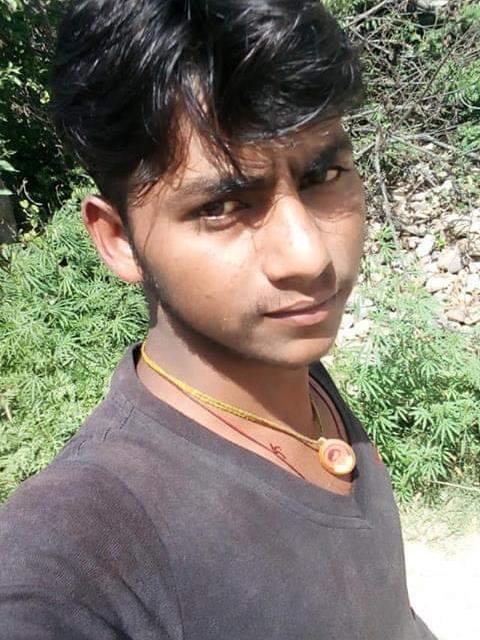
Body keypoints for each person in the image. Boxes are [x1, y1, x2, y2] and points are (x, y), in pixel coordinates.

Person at [0, 1, 437, 638]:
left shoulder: (294, 381)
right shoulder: (84, 546)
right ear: (119, 240)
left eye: (323, 175)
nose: (308, 256)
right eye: (222, 207)